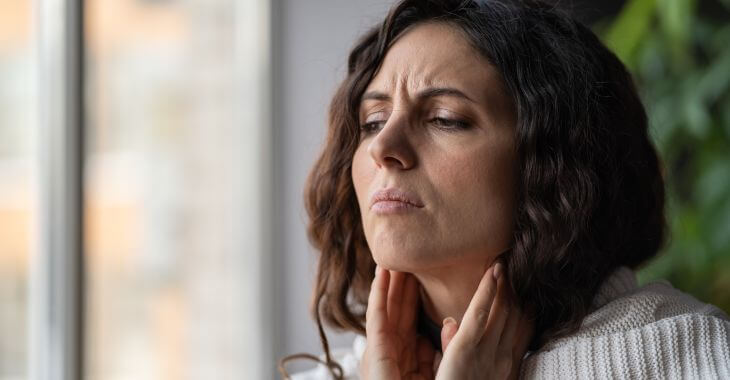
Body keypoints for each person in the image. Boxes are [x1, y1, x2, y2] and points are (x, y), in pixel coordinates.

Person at [279, 0, 730, 378]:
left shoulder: (696, 358)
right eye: (373, 122)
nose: (384, 147)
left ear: (557, 166)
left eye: (445, 119)